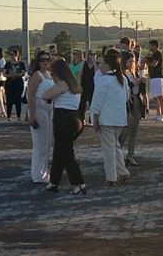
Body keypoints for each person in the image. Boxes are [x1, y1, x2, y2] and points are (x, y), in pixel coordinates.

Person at [43, 59, 86, 194]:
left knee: (66, 153)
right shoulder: (74, 84)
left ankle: (78, 183)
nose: (51, 77)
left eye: (52, 74)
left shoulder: (62, 84)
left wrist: (51, 94)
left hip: (63, 120)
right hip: (75, 119)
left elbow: (46, 95)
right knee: (59, 151)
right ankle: (54, 182)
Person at [89, 48, 130, 186]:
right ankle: (123, 172)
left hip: (106, 119)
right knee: (115, 146)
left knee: (108, 149)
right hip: (119, 118)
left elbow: (97, 101)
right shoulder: (122, 79)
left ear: (107, 65)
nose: (99, 66)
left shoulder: (103, 80)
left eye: (101, 63)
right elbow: (126, 97)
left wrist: (94, 118)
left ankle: (111, 177)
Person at [26, 52, 54, 184]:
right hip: (39, 110)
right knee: (40, 145)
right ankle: (37, 174)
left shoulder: (50, 75)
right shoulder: (37, 75)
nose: (45, 62)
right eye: (42, 60)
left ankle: (44, 172)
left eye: (47, 60)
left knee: (48, 144)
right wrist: (32, 116)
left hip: (49, 111)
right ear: (38, 61)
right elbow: (30, 96)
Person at [146, 39, 163, 121]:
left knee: (160, 96)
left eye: (150, 45)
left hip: (158, 78)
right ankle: (158, 113)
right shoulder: (153, 55)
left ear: (154, 45)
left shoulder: (158, 54)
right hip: (153, 77)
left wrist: (147, 62)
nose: (149, 47)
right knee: (155, 97)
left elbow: (154, 64)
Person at [4, 48, 26, 121]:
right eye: (11, 55)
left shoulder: (21, 64)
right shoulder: (7, 64)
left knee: (18, 99)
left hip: (18, 82)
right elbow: (4, 73)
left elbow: (23, 73)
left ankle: (18, 116)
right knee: (9, 99)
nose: (12, 56)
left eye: (13, 54)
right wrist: (10, 75)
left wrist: (16, 75)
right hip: (9, 82)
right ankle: (8, 116)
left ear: (17, 55)